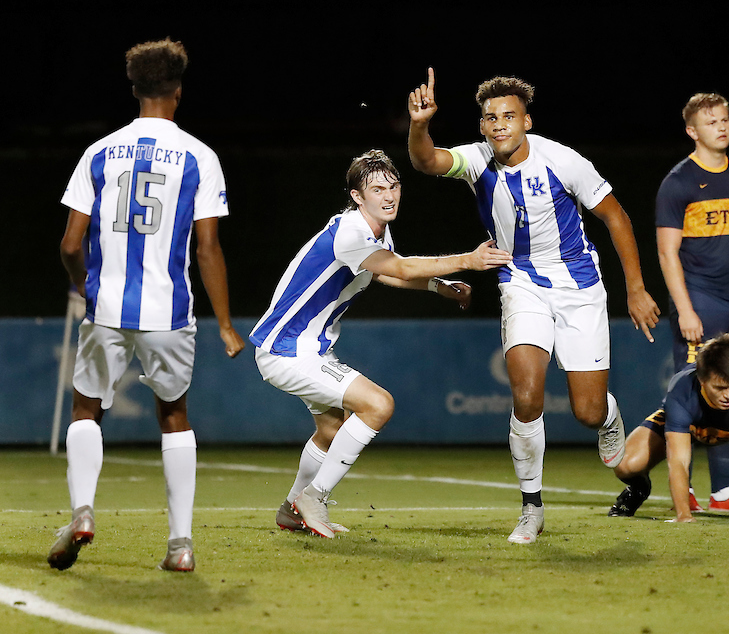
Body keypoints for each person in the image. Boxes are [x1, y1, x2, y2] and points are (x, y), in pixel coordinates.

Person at [407, 68, 661, 544]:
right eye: (490, 118)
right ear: (482, 127)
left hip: (579, 286)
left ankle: (606, 415)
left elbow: (616, 216)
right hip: (519, 281)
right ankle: (531, 507)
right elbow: (425, 163)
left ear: (526, 120)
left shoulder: (563, 161)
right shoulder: (476, 159)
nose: (499, 124)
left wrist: (636, 288)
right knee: (526, 396)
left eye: (508, 115)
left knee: (585, 412)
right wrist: (420, 125)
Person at [51, 38, 245, 572]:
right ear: (178, 92)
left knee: (87, 408)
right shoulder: (200, 157)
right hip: (169, 312)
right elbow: (208, 248)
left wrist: (82, 286)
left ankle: (83, 512)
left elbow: (71, 244)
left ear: (134, 89)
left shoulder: (97, 152)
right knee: (174, 415)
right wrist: (226, 324)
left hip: (107, 307)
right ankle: (180, 546)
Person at [251, 149, 510, 539]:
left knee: (331, 429)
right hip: (287, 350)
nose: (389, 196)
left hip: (304, 349)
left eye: (394, 186)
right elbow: (401, 267)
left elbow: (384, 272)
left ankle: (292, 509)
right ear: (357, 196)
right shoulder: (351, 232)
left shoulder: (373, 229)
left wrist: (439, 286)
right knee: (378, 404)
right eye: (377, 189)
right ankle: (314, 496)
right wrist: (469, 261)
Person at [654, 92, 729, 512]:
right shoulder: (679, 182)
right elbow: (666, 251)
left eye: (725, 120)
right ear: (692, 131)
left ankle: (723, 492)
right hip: (699, 303)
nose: (722, 127)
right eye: (712, 122)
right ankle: (684, 489)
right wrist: (685, 309)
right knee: (696, 390)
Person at [607, 333, 729, 522]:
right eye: (720, 388)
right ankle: (638, 490)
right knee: (624, 464)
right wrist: (684, 515)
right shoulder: (681, 393)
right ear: (702, 380)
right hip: (690, 430)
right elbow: (678, 462)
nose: (728, 395)